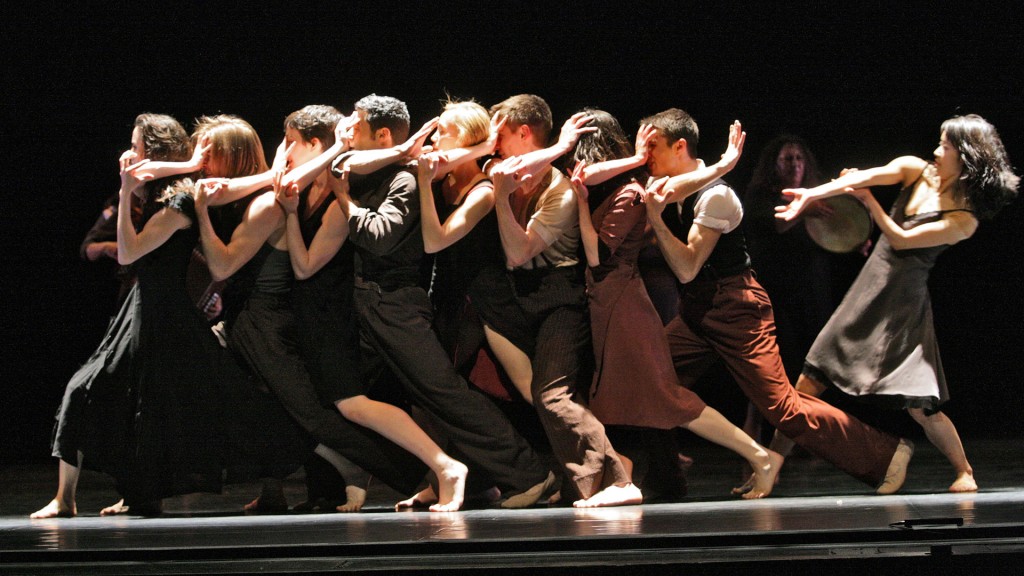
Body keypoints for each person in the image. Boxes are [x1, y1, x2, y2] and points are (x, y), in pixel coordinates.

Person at [640, 107, 914, 496]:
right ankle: (666, 480)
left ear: (680, 146)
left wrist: (655, 218)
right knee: (649, 380)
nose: (645, 156)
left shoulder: (717, 196)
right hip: (699, 310)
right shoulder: (675, 188)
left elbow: (686, 268)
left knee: (782, 407)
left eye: (652, 146)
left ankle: (888, 455)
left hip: (737, 308)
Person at [773, 114, 1019, 493]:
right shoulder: (914, 169)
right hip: (868, 289)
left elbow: (903, 240)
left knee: (921, 406)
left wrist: (870, 203)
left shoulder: (963, 219)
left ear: (966, 157)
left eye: (946, 147)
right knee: (808, 381)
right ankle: (768, 468)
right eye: (939, 142)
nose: (936, 151)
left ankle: (964, 471)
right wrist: (813, 193)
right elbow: (861, 177)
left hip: (904, 304)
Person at [330, 94, 555, 509]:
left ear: (467, 141)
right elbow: (346, 166)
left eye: (442, 134)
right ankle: (472, 479)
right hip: (448, 299)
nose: (432, 142)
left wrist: (434, 173)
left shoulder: (482, 188)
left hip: (482, 301)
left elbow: (435, 238)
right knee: (431, 394)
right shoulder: (441, 177)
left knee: (453, 394)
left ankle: (533, 474)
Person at [567, 109, 781, 499]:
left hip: (624, 305)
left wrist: (724, 165)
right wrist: (632, 159)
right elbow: (586, 178)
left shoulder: (636, 191)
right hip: (610, 302)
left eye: (651, 147)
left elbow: (598, 254)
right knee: (613, 398)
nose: (646, 156)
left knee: (668, 400)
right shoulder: (632, 180)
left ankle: (758, 455)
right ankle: (620, 477)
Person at [271, 104, 469, 512]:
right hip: (313, 311)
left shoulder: (340, 187)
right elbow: (284, 171)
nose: (284, 151)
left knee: (352, 403)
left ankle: (445, 466)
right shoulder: (317, 182)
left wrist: (290, 218)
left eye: (292, 143)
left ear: (316, 145)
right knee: (324, 406)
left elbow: (306, 266)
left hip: (331, 308)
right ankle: (360, 473)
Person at [32, 114, 228, 518]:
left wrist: (125, 194)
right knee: (99, 395)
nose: (130, 152)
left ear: (154, 149)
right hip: (139, 307)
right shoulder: (157, 192)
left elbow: (128, 252)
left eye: (137, 144)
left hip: (163, 314)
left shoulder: (179, 201)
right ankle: (71, 497)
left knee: (143, 405)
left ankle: (117, 495)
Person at [470, 94, 640, 507]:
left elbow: (517, 252)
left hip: (558, 296)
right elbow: (501, 165)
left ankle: (620, 478)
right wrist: (560, 147)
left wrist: (503, 200)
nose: (492, 142)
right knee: (515, 391)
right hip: (514, 298)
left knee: (553, 395)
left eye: (501, 133)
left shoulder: (560, 191)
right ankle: (577, 479)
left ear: (524, 132)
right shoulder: (500, 168)